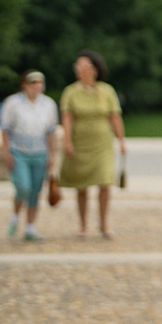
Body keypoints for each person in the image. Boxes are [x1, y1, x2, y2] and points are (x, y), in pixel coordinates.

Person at [59, 51, 125, 240]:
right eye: (77, 66)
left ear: (94, 69)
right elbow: (67, 118)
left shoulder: (107, 91)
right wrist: (67, 141)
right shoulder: (71, 91)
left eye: (83, 66)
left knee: (105, 181)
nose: (79, 70)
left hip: (102, 143)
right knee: (82, 185)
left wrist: (121, 140)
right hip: (81, 143)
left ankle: (104, 222)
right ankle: (83, 224)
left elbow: (114, 116)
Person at [0, 71, 60, 240]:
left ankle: (31, 227)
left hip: (40, 152)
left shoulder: (48, 104)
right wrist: (6, 152)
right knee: (23, 187)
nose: (37, 86)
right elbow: (5, 129)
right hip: (19, 151)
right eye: (33, 83)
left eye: (40, 83)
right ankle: (16, 215)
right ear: (25, 85)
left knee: (35, 190)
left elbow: (51, 132)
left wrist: (52, 155)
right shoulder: (13, 103)